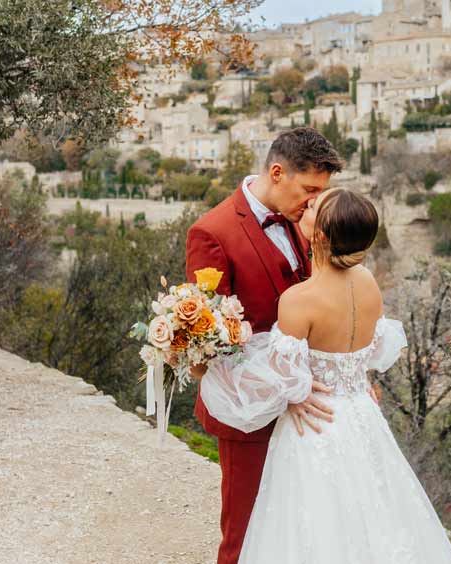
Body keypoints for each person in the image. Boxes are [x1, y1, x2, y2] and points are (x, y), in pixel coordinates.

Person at [200, 188, 451, 563]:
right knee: (375, 521)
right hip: (362, 417)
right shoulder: (368, 282)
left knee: (312, 529)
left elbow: (280, 378)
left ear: (320, 236)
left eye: (314, 208)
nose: (307, 203)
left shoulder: (298, 300)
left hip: (315, 427)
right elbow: (368, 350)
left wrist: (212, 361)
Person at [184, 127, 343, 564]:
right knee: (244, 531)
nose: (314, 202)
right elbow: (208, 345)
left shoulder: (302, 222)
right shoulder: (211, 233)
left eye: (321, 193)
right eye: (309, 189)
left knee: (293, 528)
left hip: (305, 408)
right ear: (277, 172)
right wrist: (279, 390)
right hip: (248, 412)